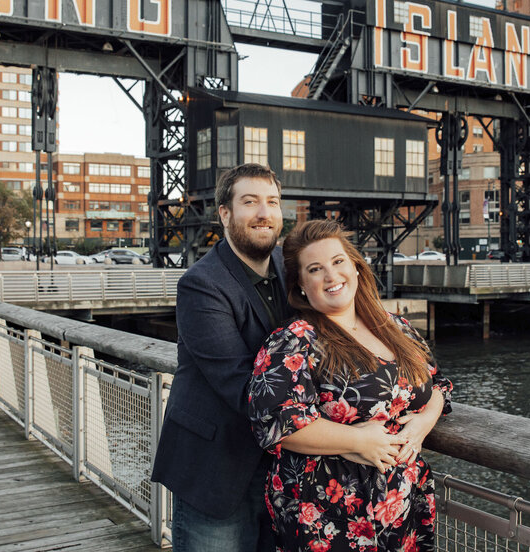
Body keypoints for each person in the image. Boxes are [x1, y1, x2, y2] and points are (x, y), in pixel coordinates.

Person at [248, 219, 452, 551]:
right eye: (315, 269)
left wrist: (424, 423)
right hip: (327, 516)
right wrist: (357, 439)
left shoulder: (395, 327)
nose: (331, 276)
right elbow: (274, 423)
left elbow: (438, 384)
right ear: (300, 285)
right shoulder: (296, 340)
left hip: (403, 507)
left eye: (338, 261)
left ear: (356, 268)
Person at [151, 163, 291, 551]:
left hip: (282, 470)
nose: (264, 213)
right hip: (215, 467)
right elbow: (242, 385)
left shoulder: (291, 266)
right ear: (225, 214)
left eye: (272, 202)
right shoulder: (201, 285)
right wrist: (344, 437)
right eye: (250, 202)